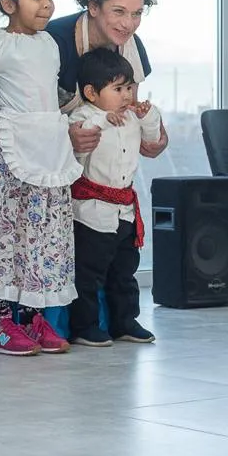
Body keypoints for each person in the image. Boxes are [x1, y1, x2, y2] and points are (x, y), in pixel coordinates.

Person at [0, 0, 83, 356]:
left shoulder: (49, 44)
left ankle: (34, 317)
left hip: (48, 149)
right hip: (7, 150)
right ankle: (0, 323)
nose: (47, 5)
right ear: (7, 3)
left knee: (42, 234)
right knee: (3, 232)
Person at [67, 48, 162, 347]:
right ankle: (85, 326)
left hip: (124, 210)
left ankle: (125, 321)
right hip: (91, 212)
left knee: (124, 271)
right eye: (118, 89)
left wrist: (149, 117)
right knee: (88, 273)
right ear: (92, 92)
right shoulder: (83, 116)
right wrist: (105, 121)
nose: (126, 95)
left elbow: (151, 141)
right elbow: (79, 150)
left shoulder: (132, 118)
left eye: (129, 88)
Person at [45, 0, 169, 158]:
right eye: (119, 11)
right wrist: (65, 136)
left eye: (137, 13)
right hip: (45, 160)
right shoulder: (54, 41)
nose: (128, 24)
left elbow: (129, 105)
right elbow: (27, 114)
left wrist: (157, 132)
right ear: (93, 7)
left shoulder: (133, 46)